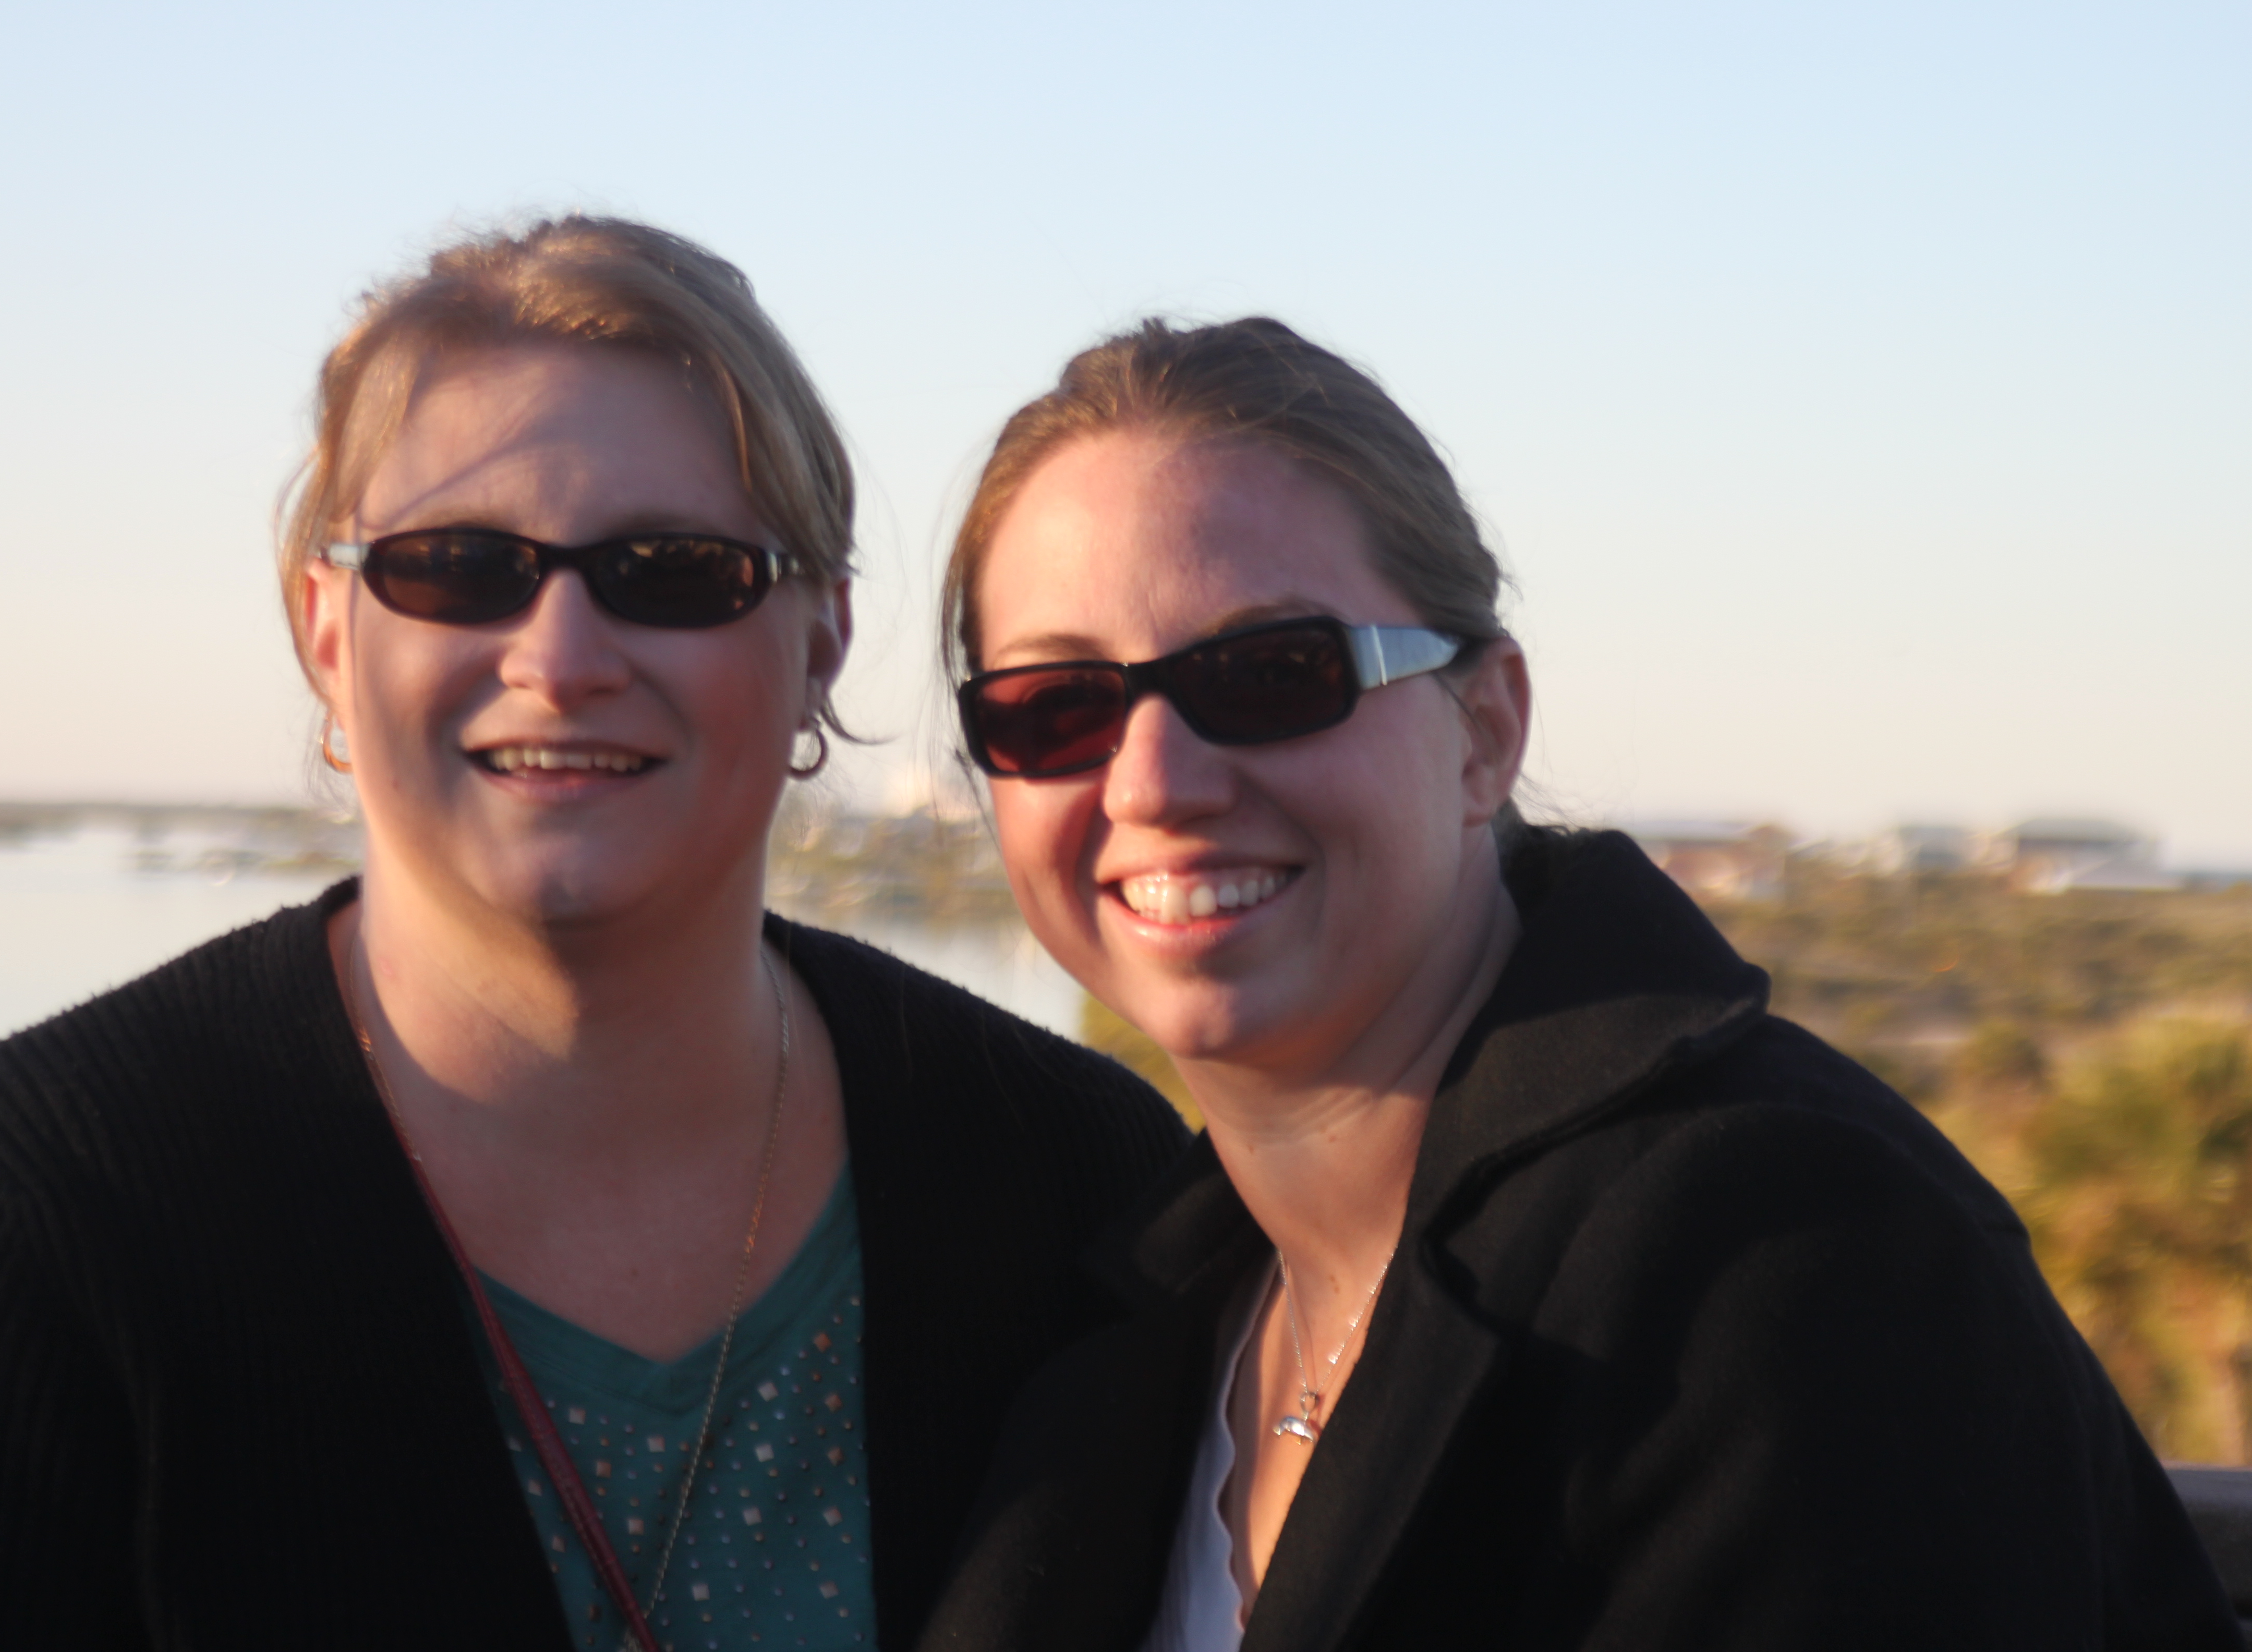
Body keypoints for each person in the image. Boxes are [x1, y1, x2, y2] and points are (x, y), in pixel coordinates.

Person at [0, 217, 1185, 1650]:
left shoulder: (1079, 1186)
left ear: (821, 637)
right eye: (456, 566)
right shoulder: (42, 1218)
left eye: (673, 569)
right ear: (328, 632)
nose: (561, 660)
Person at [915, 317, 2236, 1651]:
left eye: (1272, 673)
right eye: (1056, 705)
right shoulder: (1150, 1313)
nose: (1153, 782)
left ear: (1484, 730)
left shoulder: (1775, 1257)